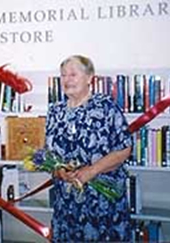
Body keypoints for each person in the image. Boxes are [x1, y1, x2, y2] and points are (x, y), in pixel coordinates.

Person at [46, 55, 133, 242]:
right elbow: (50, 154)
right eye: (63, 75)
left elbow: (125, 149)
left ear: (89, 77)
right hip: (66, 202)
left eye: (73, 74)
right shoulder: (55, 111)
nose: (67, 80)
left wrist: (91, 171)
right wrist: (60, 171)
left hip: (102, 200)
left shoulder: (106, 107)